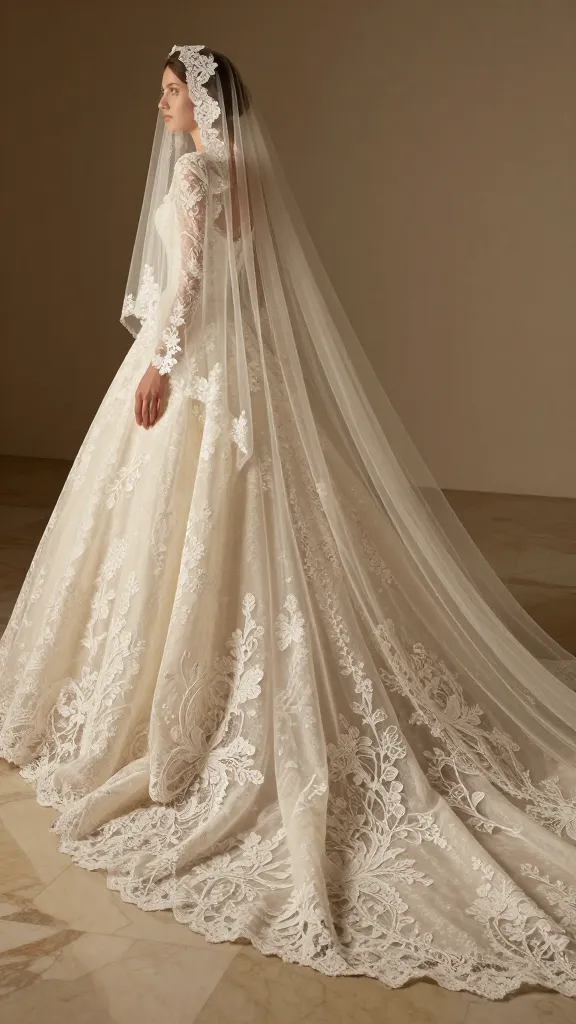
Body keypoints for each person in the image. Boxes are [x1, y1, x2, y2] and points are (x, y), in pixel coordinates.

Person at [0, 45, 575, 1000]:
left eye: (173, 90)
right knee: (237, 529)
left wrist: (160, 366)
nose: (162, 105)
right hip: (245, 381)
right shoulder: (243, 171)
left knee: (185, 533)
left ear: (205, 102)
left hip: (194, 372)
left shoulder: (196, 171)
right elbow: (244, 276)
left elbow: (188, 287)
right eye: (164, 90)